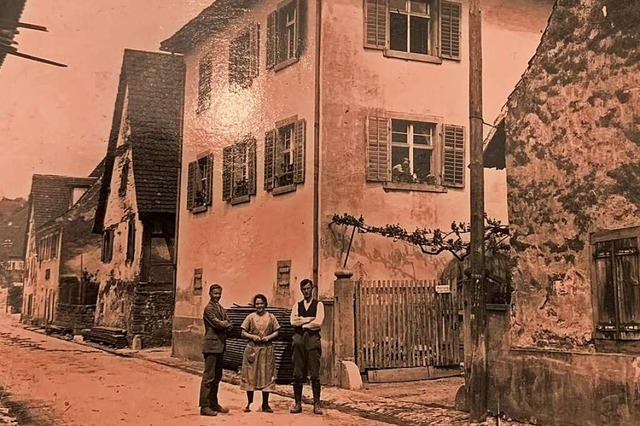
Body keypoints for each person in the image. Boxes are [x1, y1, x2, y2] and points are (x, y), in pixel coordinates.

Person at [240, 294, 281, 413]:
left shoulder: (271, 317)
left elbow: (277, 332)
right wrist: (253, 336)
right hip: (252, 350)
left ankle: (265, 404)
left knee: (266, 376)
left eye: (261, 303)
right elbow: (243, 332)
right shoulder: (250, 317)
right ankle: (249, 403)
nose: (259, 306)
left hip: (266, 350)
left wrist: (268, 337)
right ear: (254, 305)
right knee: (250, 376)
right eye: (257, 304)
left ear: (265, 304)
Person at [289, 279, 324, 415]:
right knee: (297, 374)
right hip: (298, 340)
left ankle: (316, 404)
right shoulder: (296, 305)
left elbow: (319, 322)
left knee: (314, 374)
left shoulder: (319, 304)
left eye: (308, 288)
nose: (306, 291)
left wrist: (302, 323)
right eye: (304, 289)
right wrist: (309, 319)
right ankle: (298, 403)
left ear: (312, 289)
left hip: (312, 339)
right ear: (301, 290)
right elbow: (293, 321)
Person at [199, 284, 233, 417]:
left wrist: (225, 324)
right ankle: (204, 406)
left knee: (217, 377)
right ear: (210, 294)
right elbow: (217, 323)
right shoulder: (208, 309)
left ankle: (213, 403)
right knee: (209, 377)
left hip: (220, 346)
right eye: (215, 293)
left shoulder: (220, 308)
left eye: (219, 293)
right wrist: (225, 324)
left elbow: (228, 322)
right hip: (211, 346)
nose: (217, 296)